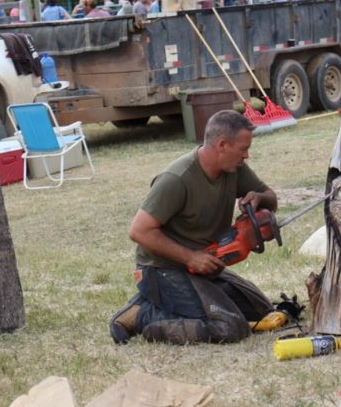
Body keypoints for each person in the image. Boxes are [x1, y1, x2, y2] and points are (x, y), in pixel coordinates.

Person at [109, 110, 277, 345]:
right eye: (243, 149)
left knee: (263, 311)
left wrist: (259, 198)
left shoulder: (234, 169)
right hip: (162, 269)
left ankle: (160, 303)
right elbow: (138, 231)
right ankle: (141, 314)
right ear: (222, 145)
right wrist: (190, 258)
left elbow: (271, 197)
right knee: (229, 328)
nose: (247, 155)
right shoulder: (176, 179)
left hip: (202, 265)